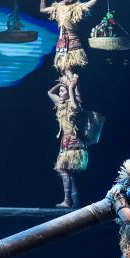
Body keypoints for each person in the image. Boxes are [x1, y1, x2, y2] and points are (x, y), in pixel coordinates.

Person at [40, 0, 96, 80]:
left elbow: (91, 3)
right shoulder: (58, 7)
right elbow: (42, 10)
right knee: (62, 69)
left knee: (66, 68)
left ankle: (73, 82)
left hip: (71, 40)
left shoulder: (76, 7)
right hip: (62, 40)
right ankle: (70, 83)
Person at [47, 75, 86, 208]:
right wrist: (61, 84)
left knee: (64, 170)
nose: (60, 93)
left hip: (73, 141)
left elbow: (74, 103)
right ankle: (75, 201)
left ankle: (67, 200)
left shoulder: (74, 105)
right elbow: (49, 92)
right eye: (60, 92)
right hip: (65, 142)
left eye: (62, 91)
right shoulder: (60, 105)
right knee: (69, 173)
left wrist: (70, 87)